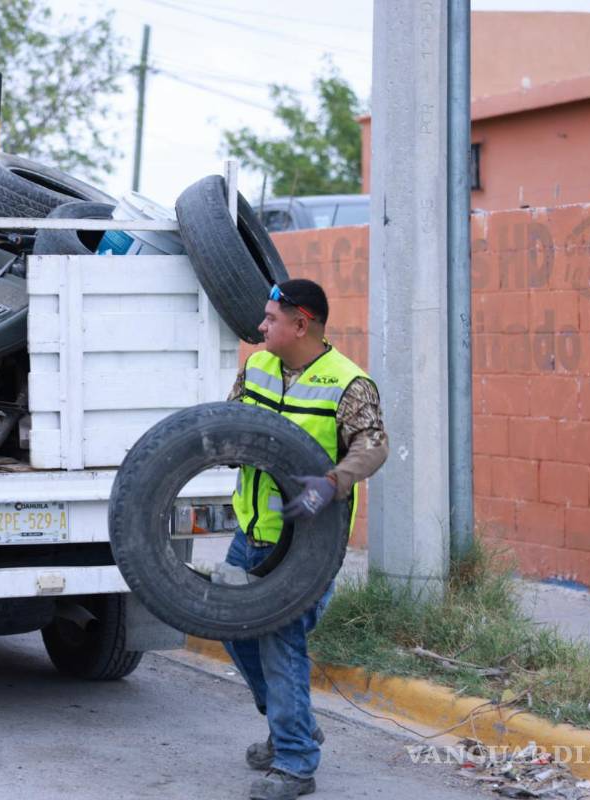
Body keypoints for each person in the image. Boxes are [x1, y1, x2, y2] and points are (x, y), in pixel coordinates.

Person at [223, 279, 389, 800]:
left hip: (306, 544)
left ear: (301, 324)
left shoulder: (349, 383)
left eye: (271, 318)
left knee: (281, 643)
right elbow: (229, 418)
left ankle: (295, 762)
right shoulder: (258, 366)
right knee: (230, 628)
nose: (261, 326)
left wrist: (334, 481)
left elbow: (374, 446)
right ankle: (287, 722)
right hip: (249, 531)